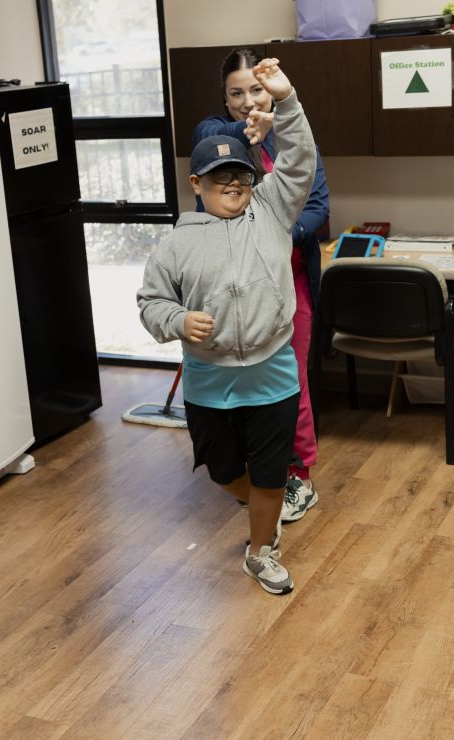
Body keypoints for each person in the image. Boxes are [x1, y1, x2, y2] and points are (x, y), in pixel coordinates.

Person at [137, 58, 316, 595]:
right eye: (220, 177)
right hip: (210, 381)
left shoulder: (272, 212)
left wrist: (287, 101)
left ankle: (261, 550)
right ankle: (270, 506)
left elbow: (301, 160)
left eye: (241, 174)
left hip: (272, 374)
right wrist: (176, 319)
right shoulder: (176, 243)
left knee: (266, 473)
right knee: (221, 472)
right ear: (198, 184)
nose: (233, 184)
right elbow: (150, 302)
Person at [191, 48, 327, 525]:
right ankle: (256, 476)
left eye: (255, 89)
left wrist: (274, 233)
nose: (248, 100)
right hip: (232, 287)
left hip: (288, 277)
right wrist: (256, 125)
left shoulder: (292, 137)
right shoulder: (216, 133)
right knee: (239, 384)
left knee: (291, 381)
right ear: (224, 97)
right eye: (236, 93)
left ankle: (298, 475)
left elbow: (316, 201)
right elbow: (212, 136)